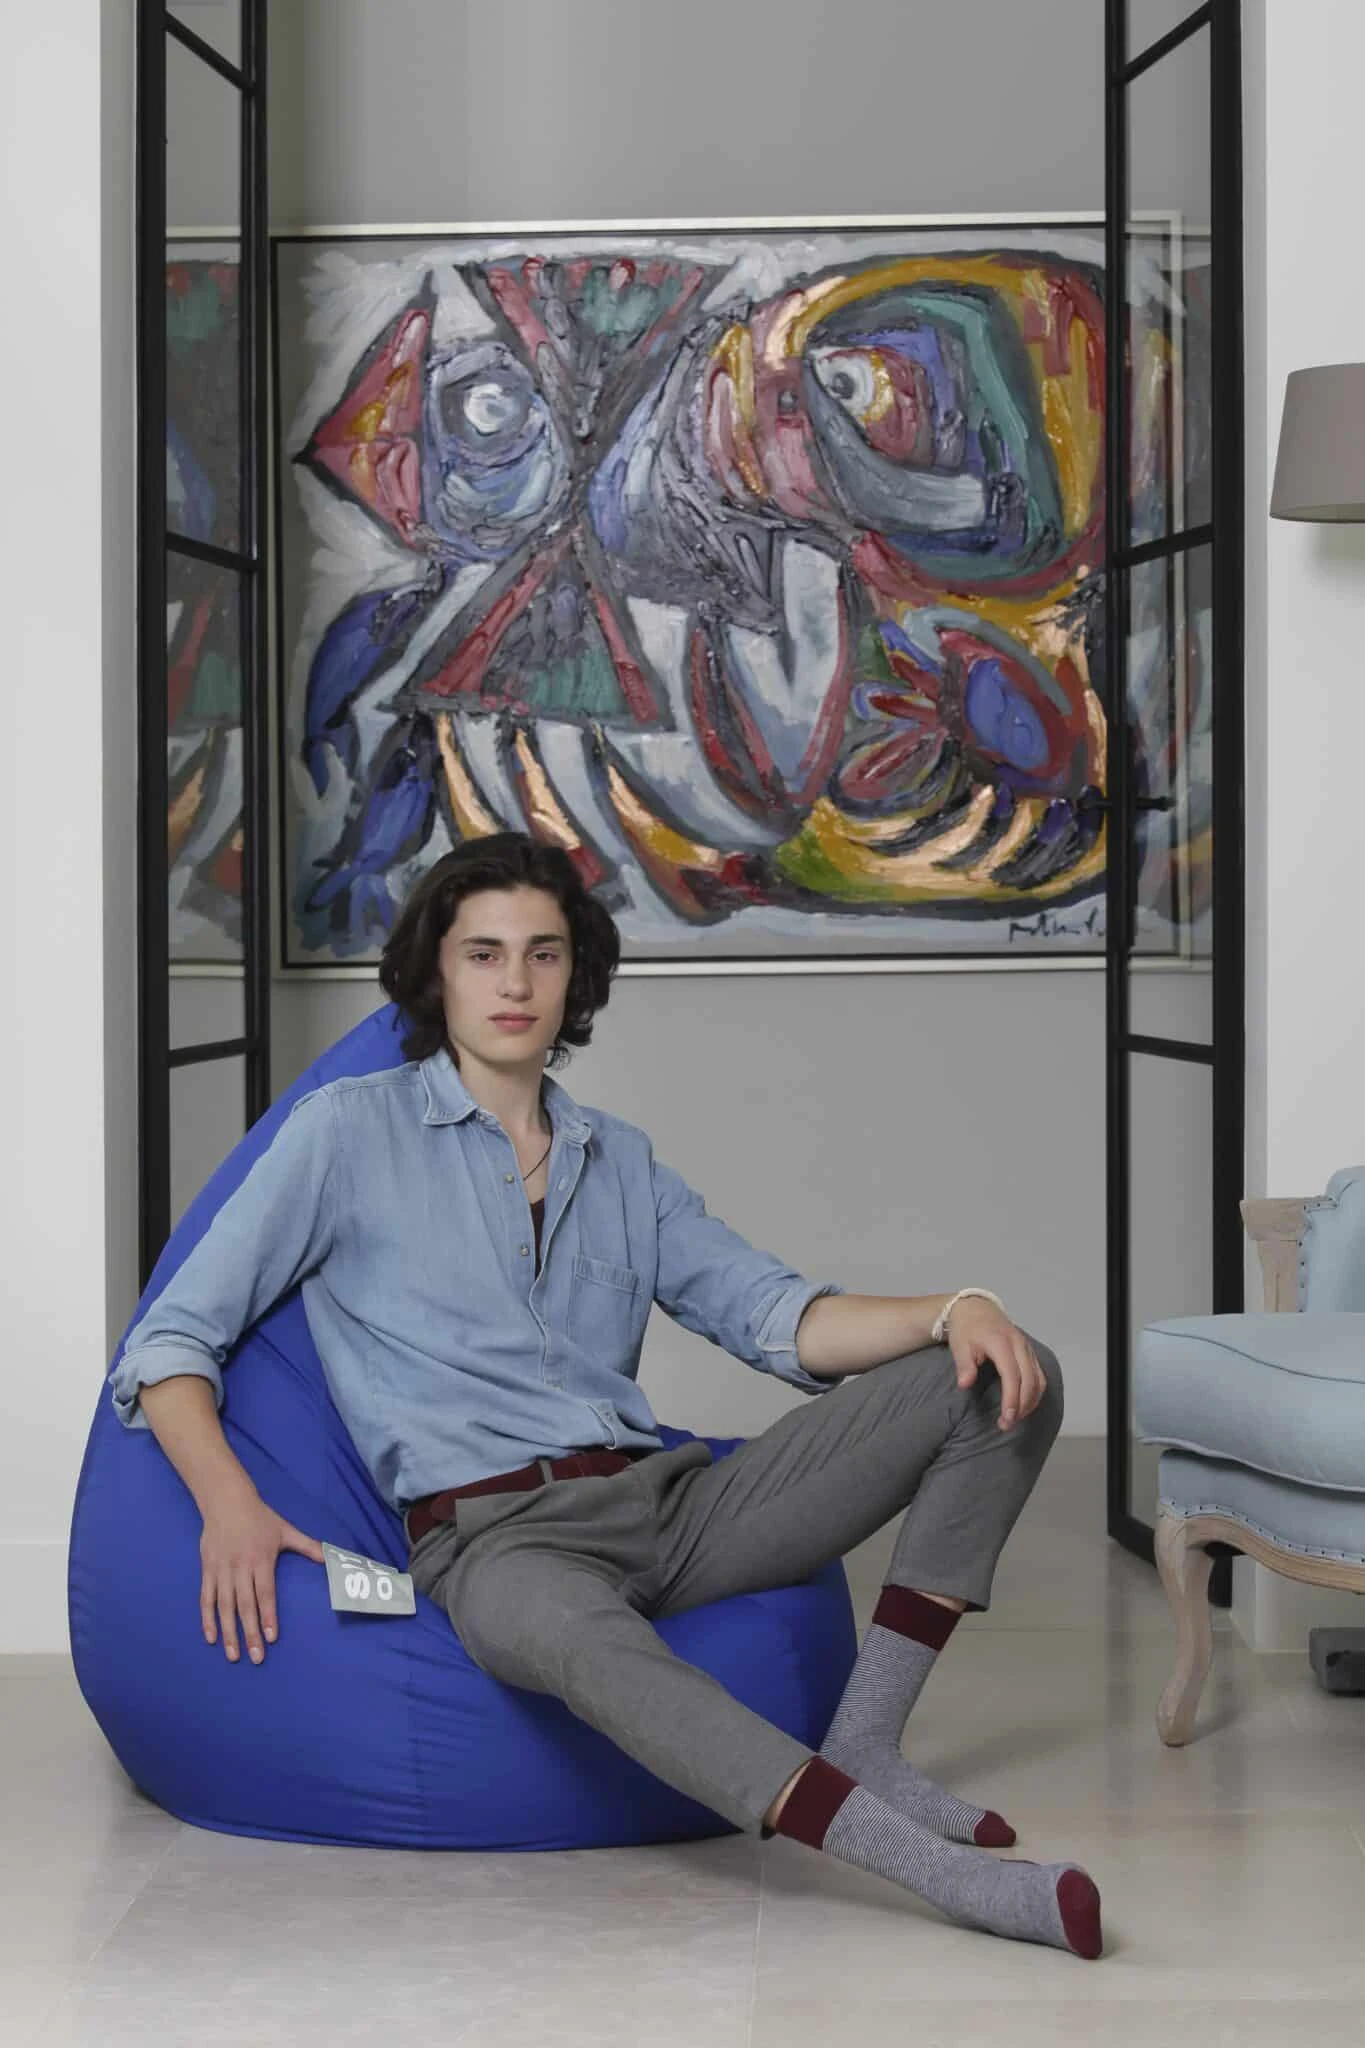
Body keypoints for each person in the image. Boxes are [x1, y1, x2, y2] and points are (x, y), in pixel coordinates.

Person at [112, 831, 1102, 1961]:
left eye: (543, 953)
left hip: (670, 1506)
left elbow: (779, 1317)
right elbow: (171, 1339)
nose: (515, 982)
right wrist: (230, 1505)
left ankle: (869, 1740)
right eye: (484, 954)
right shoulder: (348, 1132)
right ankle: (941, 1877)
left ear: (575, 974)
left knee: (1003, 1373)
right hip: (498, 1543)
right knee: (586, 1647)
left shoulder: (616, 1158)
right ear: (437, 972)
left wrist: (955, 1308)